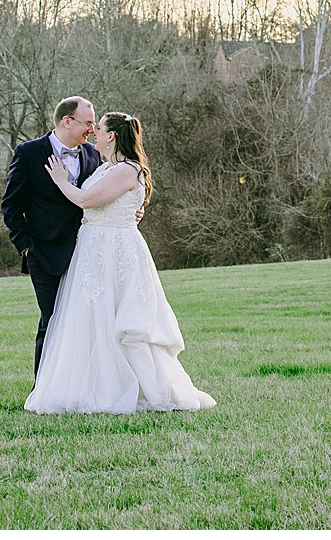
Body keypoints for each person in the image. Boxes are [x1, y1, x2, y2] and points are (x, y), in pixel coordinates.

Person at [24, 110, 216, 414]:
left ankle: (129, 389)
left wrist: (61, 181)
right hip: (92, 250)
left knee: (118, 320)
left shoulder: (128, 169)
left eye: (97, 128)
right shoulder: (103, 167)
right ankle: (87, 386)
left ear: (111, 136)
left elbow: (88, 201)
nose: (93, 133)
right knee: (90, 320)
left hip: (115, 251)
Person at [0, 96, 104, 375]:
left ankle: (80, 383)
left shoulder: (94, 155)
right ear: (67, 121)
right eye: (88, 124)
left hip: (86, 253)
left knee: (86, 322)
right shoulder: (30, 152)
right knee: (52, 320)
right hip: (43, 253)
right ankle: (42, 388)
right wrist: (25, 246)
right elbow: (10, 205)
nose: (92, 131)